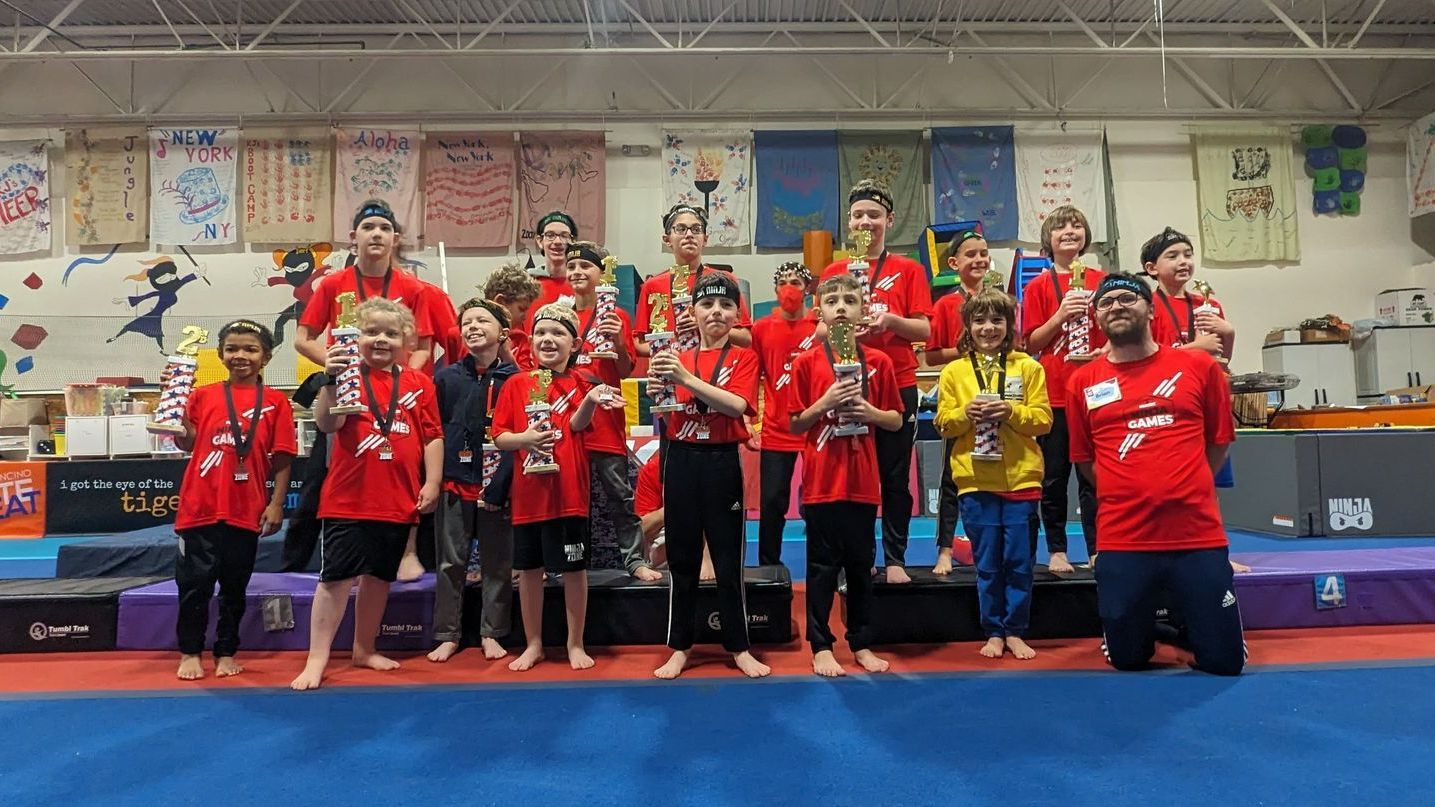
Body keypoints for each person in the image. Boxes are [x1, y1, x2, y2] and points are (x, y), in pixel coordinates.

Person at [1066, 273, 1245, 676]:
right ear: (1096, 317)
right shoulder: (1083, 382)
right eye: (1106, 302)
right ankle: (1158, 625)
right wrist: (1127, 490)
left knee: (1224, 662)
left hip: (1196, 533)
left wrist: (1188, 483)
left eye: (1127, 298)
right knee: (1128, 659)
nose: (1116, 306)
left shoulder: (1198, 367)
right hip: (1124, 537)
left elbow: (1218, 441)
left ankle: (1187, 623)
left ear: (1150, 308)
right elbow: (1085, 459)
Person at [290, 299, 443, 691]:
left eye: (391, 334)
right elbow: (327, 424)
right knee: (336, 579)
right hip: (348, 499)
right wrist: (330, 379)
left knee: (379, 577)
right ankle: (316, 658)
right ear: (354, 337)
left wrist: (433, 482)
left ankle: (364, 648)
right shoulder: (346, 375)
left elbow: (432, 436)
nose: (381, 339)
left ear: (406, 341)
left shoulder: (418, 382)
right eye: (371, 332)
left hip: (397, 498)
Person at [293, 199, 439, 582]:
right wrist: (338, 367)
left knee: (406, 468)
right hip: (346, 391)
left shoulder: (414, 287)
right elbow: (302, 339)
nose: (376, 234)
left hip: (398, 391)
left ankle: (406, 551)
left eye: (384, 228)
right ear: (353, 237)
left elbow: (423, 346)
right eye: (369, 227)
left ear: (395, 238)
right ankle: (309, 558)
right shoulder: (332, 285)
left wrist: (402, 379)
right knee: (324, 471)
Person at [649, 273, 770, 680]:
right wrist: (659, 392)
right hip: (681, 458)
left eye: (725, 306)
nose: (716, 312)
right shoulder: (674, 357)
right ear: (693, 312)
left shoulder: (744, 357)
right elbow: (668, 410)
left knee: (726, 557)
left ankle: (738, 646)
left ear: (738, 314)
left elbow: (736, 406)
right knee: (681, 558)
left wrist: (685, 382)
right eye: (707, 305)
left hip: (721, 461)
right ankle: (679, 646)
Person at [491, 302, 623, 672]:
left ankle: (574, 642)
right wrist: (525, 439)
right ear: (530, 341)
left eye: (558, 334)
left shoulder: (584, 383)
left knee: (574, 569)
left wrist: (592, 402)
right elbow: (500, 437)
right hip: (529, 496)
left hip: (569, 495)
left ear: (575, 342)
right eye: (541, 334)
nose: (548, 340)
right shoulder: (516, 383)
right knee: (529, 570)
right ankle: (533, 644)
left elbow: (579, 427)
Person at [789, 274, 903, 677]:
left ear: (862, 311)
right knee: (821, 566)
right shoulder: (805, 363)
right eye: (832, 300)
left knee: (861, 566)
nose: (841, 307)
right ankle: (821, 644)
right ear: (818, 310)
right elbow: (794, 424)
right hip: (822, 481)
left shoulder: (881, 363)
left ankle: (862, 640)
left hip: (862, 481)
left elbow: (895, 420)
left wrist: (868, 413)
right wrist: (825, 403)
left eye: (849, 301)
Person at [820, 179, 933, 585]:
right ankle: (858, 557)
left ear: (890, 219)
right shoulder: (834, 271)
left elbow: (924, 330)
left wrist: (890, 320)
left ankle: (895, 557)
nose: (865, 221)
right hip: (846, 381)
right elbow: (818, 330)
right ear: (848, 222)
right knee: (852, 476)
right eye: (857, 215)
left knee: (894, 474)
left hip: (896, 381)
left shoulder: (909, 269)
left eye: (874, 214)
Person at [171, 320, 296, 680]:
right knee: (194, 585)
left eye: (250, 349)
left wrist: (276, 503)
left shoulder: (275, 402)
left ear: (267, 357)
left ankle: (226, 651)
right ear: (221, 353)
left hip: (247, 508)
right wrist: (174, 413)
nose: (240, 356)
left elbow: (283, 457)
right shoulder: (202, 395)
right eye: (233, 349)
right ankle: (190, 651)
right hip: (200, 508)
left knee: (235, 587)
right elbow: (187, 442)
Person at [934, 290, 1052, 660]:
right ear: (968, 327)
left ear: (1009, 325)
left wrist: (1011, 414)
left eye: (997, 321)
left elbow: (1044, 421)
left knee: (1019, 562)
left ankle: (1015, 629)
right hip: (974, 480)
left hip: (1022, 480)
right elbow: (942, 424)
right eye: (980, 321)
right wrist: (964, 414)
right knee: (987, 563)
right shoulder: (954, 371)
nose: (989, 328)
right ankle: (993, 631)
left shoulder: (1029, 367)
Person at [428, 298, 519, 663]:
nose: (473, 327)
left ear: (504, 333)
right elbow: (434, 431)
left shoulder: (517, 379)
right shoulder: (446, 378)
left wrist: (503, 481)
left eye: (483, 320)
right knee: (451, 562)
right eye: (467, 322)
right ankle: (447, 633)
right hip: (455, 480)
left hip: (498, 484)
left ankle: (491, 632)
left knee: (498, 562)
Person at [565, 241, 661, 582]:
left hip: (606, 424)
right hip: (568, 422)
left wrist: (619, 340)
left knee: (620, 497)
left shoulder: (616, 315)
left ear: (600, 274)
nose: (577, 272)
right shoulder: (558, 315)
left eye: (585, 267)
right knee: (571, 501)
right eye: (572, 267)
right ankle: (570, 564)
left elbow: (623, 370)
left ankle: (634, 560)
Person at [1019, 205, 1106, 574]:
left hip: (1099, 391)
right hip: (1054, 392)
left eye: (1076, 225)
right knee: (1053, 476)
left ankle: (1098, 548)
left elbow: (1116, 331)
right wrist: (1060, 315)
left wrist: (1105, 351)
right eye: (1060, 228)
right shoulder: (1039, 285)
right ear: (1048, 240)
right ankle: (1056, 549)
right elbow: (1031, 343)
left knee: (1095, 476)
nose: (1069, 231)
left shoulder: (1103, 280)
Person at [924, 230, 992, 574]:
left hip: (997, 394)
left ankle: (990, 549)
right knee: (952, 477)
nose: (979, 259)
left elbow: (1017, 345)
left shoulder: (1001, 302)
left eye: (984, 253)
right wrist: (968, 350)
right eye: (971, 255)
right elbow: (933, 355)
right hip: (959, 395)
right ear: (954, 263)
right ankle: (946, 550)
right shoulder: (945, 304)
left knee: (994, 477)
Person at [749, 261, 819, 566]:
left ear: (807, 289)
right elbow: (753, 375)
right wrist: (748, 421)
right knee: (773, 502)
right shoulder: (762, 328)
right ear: (776, 289)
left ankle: (824, 565)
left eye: (796, 281)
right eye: (784, 282)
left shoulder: (821, 327)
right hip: (778, 428)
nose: (790, 288)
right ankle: (768, 568)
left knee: (819, 503)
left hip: (818, 427)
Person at [635, 204, 754, 355]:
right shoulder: (652, 286)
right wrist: (669, 352)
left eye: (696, 229)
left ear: (705, 239)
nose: (689, 235)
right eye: (681, 229)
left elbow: (746, 338)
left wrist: (704, 324)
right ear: (667, 239)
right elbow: (639, 344)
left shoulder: (725, 280)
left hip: (714, 371)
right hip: (670, 371)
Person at [1140, 227, 1236, 361]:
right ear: (1152, 268)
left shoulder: (1208, 305)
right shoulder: (1145, 307)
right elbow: (1145, 359)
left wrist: (1229, 333)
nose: (1183, 261)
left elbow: (1223, 363)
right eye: (1173, 256)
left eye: (1188, 255)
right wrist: (1196, 348)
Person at [483, 263, 542, 371]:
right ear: (500, 302)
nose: (525, 317)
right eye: (522, 309)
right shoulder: (463, 336)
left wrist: (507, 356)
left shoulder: (520, 340)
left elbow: (524, 383)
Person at [527, 210, 578, 318]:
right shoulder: (526, 285)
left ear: (573, 241)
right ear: (540, 241)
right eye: (550, 235)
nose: (557, 241)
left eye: (564, 236)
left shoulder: (581, 284)